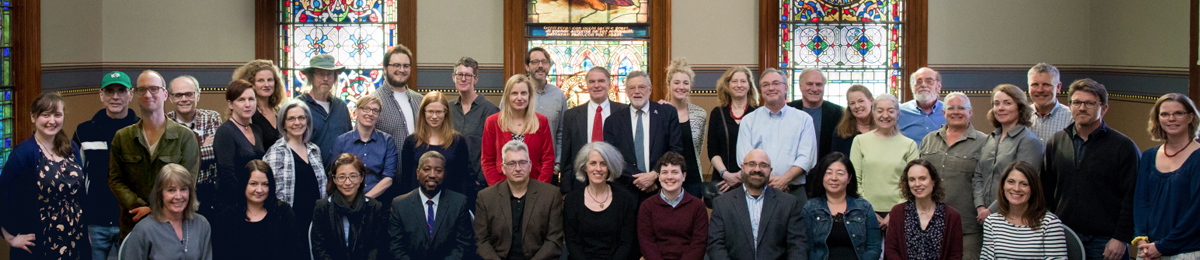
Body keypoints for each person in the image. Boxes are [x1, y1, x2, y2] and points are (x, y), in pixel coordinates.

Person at [1041, 79, 1138, 260]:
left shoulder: (1123, 147)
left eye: (1090, 103)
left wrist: (1120, 237)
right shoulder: (1056, 142)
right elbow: (1046, 190)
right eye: (1077, 102)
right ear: (1069, 106)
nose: (1082, 108)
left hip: (1106, 241)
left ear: (1104, 108)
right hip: (1064, 236)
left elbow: (1131, 196)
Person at [109, 70, 200, 240]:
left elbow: (188, 182)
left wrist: (153, 210)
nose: (148, 94)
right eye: (142, 89)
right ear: (135, 95)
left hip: (171, 226)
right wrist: (139, 207)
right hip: (133, 224)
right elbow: (116, 179)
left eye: (154, 89)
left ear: (165, 94)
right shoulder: (123, 137)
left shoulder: (185, 137)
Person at [0, 92, 89, 259]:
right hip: (42, 243)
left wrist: (86, 233)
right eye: (45, 115)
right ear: (33, 117)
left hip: (75, 238)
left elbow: (81, 194)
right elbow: (3, 194)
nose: (52, 121)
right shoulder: (23, 153)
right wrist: (10, 236)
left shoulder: (71, 148)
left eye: (57, 115)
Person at [74, 71, 140, 260]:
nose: (115, 96)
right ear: (101, 95)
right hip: (95, 222)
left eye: (121, 90)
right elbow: (76, 177)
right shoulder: (84, 131)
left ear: (131, 95)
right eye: (109, 91)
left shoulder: (141, 130)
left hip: (130, 220)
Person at [918, 92, 987, 259]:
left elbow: (986, 182)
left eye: (961, 108)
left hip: (967, 227)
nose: (956, 112)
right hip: (929, 224)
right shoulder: (929, 140)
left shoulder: (984, 142)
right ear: (943, 112)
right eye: (951, 108)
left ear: (970, 112)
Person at [1132, 93, 1200, 259]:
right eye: (1164, 114)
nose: (1171, 118)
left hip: (1187, 251)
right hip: (1149, 250)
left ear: (1190, 117)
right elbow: (1141, 201)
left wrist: (1163, 246)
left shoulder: (1197, 157)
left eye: (1178, 113)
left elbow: (1196, 213)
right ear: (1158, 119)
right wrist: (1142, 239)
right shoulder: (1148, 156)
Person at [736, 68, 818, 205]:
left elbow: (807, 158)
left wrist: (784, 180)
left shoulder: (804, 119)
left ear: (786, 88)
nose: (771, 88)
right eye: (766, 85)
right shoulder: (749, 120)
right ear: (761, 90)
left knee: (796, 227)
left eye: (775, 83)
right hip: (757, 191)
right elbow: (744, 157)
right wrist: (772, 181)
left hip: (793, 191)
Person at [708, 149, 808, 260]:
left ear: (770, 170)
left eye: (763, 165)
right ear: (743, 167)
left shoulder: (788, 203)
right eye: (752, 164)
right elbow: (715, 246)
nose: (757, 169)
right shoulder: (722, 203)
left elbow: (798, 246)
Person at [474, 140, 564, 259]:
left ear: (530, 165)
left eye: (522, 162)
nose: (518, 168)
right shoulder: (486, 197)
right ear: (503, 168)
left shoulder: (550, 195)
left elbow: (554, 241)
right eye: (511, 163)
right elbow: (481, 241)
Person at [605, 70, 683, 200]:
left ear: (650, 89)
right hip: (626, 191)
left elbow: (675, 150)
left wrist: (654, 175)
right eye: (632, 87)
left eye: (641, 87)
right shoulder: (613, 121)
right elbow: (612, 157)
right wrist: (642, 180)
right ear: (626, 91)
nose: (637, 91)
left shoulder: (667, 113)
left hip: (661, 189)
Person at [973, 84, 1044, 221]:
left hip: (1014, 217)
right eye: (996, 103)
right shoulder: (990, 139)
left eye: (1007, 103)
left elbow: (1023, 184)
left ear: (1020, 107)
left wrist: (991, 210)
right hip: (984, 217)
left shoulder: (1028, 142)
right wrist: (980, 206)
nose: (1000, 108)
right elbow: (978, 176)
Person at [849, 93, 919, 230]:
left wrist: (895, 212)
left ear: (898, 113)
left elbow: (913, 182)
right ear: (873, 113)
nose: (885, 115)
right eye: (880, 111)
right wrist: (868, 210)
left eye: (890, 111)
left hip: (901, 211)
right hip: (865, 211)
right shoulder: (860, 141)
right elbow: (855, 180)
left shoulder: (909, 145)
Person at [389, 151, 474, 260]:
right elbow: (396, 248)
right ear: (418, 173)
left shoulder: (459, 203)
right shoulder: (400, 204)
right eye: (426, 169)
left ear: (444, 174)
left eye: (438, 171)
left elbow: (463, 245)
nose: (432, 175)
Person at [211, 160, 304, 260]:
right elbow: (221, 254)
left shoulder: (283, 212)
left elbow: (295, 252)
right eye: (253, 183)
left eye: (265, 184)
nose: (259, 190)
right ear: (244, 184)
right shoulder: (227, 216)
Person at [400, 91, 477, 210]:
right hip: (418, 205)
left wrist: (462, 206)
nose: (434, 116)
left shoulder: (458, 141)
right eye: (430, 111)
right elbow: (405, 179)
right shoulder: (411, 141)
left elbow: (463, 178)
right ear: (423, 113)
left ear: (446, 113)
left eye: (439, 112)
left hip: (451, 205)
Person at [559, 66, 629, 194]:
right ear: (587, 85)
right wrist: (565, 190)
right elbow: (566, 157)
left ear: (609, 84)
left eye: (601, 81)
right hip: (581, 184)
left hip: (618, 183)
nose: (596, 85)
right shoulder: (572, 115)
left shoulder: (625, 112)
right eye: (592, 82)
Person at [121, 164, 213, 260]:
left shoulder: (202, 224)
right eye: (171, 190)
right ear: (160, 194)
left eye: (183, 189)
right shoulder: (144, 229)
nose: (178, 196)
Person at [564, 142, 639, 259]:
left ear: (610, 167)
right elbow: (572, 242)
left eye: (603, 164)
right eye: (593, 163)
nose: (598, 169)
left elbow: (626, 242)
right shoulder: (572, 199)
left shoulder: (624, 199)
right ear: (584, 166)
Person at [979, 161, 1067, 259]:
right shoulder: (991, 222)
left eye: (1024, 184)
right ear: (1003, 186)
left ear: (1033, 189)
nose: (1016, 188)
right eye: (1011, 182)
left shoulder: (1050, 223)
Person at [803, 152, 882, 260]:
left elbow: (874, 247)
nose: (834, 178)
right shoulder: (810, 208)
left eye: (840, 173)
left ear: (849, 178)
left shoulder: (864, 207)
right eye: (828, 173)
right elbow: (808, 248)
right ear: (821, 177)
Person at [262, 100, 327, 232]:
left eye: (301, 118)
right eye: (291, 119)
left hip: (315, 222)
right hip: (288, 223)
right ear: (283, 124)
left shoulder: (314, 150)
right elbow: (270, 192)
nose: (297, 123)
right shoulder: (276, 151)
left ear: (307, 121)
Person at [311, 153, 390, 260]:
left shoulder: (374, 207)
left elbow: (378, 246)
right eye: (341, 177)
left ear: (361, 177)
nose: (347, 182)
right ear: (334, 179)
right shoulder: (322, 207)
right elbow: (319, 247)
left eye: (353, 176)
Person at [482, 74, 556, 185]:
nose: (519, 98)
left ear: (529, 96)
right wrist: (498, 190)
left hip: (535, 185)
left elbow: (548, 160)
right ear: (507, 96)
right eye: (514, 93)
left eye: (524, 93)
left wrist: (539, 189)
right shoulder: (492, 122)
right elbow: (487, 161)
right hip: (501, 186)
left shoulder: (541, 121)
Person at [884, 159, 964, 260]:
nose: (917, 184)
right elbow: (891, 250)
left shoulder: (952, 216)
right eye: (912, 179)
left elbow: (955, 255)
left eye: (922, 178)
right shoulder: (897, 212)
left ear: (933, 181)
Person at [166, 75, 223, 214]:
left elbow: (218, 152)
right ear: (170, 98)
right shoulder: (164, 123)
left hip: (208, 193)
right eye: (178, 95)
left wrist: (183, 152)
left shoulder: (212, 117)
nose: (184, 99)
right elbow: (170, 160)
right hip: (175, 194)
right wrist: (203, 147)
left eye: (189, 94)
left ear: (198, 95)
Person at [638, 151, 708, 260]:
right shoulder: (647, 206)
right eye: (665, 172)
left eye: (675, 172)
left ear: (683, 176)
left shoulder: (698, 206)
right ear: (659, 177)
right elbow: (646, 242)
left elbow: (699, 244)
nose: (669, 177)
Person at [328, 95, 399, 200]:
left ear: (379, 116)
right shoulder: (341, 141)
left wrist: (365, 200)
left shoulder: (387, 141)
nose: (370, 114)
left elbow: (388, 178)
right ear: (356, 112)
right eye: (366, 109)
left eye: (375, 111)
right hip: (346, 202)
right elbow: (335, 174)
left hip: (378, 203)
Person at [449, 56, 500, 193]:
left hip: (478, 185)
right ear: (454, 77)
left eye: (468, 75)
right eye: (460, 75)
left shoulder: (490, 110)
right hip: (451, 181)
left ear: (475, 79)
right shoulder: (448, 109)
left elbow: (497, 149)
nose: (463, 79)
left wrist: (482, 179)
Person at [373, 45, 425, 174]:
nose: (401, 70)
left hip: (418, 177)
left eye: (406, 66)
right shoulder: (373, 101)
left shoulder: (420, 100)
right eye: (396, 65)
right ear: (385, 69)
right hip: (388, 178)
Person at [214, 79, 267, 205]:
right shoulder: (225, 132)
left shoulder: (256, 130)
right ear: (231, 104)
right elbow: (227, 176)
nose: (247, 104)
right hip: (234, 202)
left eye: (251, 99)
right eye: (241, 100)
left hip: (256, 199)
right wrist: (248, 201)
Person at [709, 66, 760, 193]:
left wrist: (743, 175)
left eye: (743, 81)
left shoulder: (759, 113)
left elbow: (762, 149)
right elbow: (712, 150)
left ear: (749, 86)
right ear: (727, 85)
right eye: (734, 81)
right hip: (723, 180)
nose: (739, 85)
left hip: (753, 179)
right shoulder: (717, 113)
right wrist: (725, 174)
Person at [662, 58, 707, 198]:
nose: (681, 87)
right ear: (668, 85)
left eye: (685, 83)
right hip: (667, 178)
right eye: (676, 82)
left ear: (690, 86)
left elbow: (698, 148)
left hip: (693, 178)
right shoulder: (660, 112)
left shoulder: (700, 114)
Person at [525, 47, 570, 184]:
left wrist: (557, 163)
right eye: (535, 62)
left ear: (549, 66)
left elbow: (562, 132)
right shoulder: (517, 93)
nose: (540, 66)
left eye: (544, 62)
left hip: (549, 168)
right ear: (527, 67)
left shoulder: (558, 95)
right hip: (520, 166)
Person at [297, 54, 353, 163]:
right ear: (311, 77)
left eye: (329, 74)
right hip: (310, 171)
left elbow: (349, 140)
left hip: (339, 174)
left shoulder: (341, 106)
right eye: (320, 74)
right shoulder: (298, 106)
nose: (325, 79)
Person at [787, 68, 845, 159]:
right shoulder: (787, 110)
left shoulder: (838, 113)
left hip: (825, 169)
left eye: (818, 84)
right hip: (791, 169)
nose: (814, 89)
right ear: (800, 86)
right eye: (809, 84)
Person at [232, 59, 286, 146]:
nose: (266, 84)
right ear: (251, 84)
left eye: (270, 80)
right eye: (260, 80)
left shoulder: (280, 111)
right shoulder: (246, 112)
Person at [1026, 63, 1072, 143]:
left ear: (1058, 87)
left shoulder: (1071, 118)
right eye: (1035, 84)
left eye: (1046, 84)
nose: (1040, 90)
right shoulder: (1020, 116)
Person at [898, 67, 946, 144]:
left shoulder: (949, 112)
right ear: (912, 87)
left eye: (929, 81)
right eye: (918, 82)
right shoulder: (899, 112)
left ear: (939, 86)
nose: (923, 85)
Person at [829, 85, 874, 158]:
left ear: (871, 101)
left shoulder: (881, 128)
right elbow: (836, 159)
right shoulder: (841, 131)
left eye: (861, 101)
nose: (857, 106)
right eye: (852, 103)